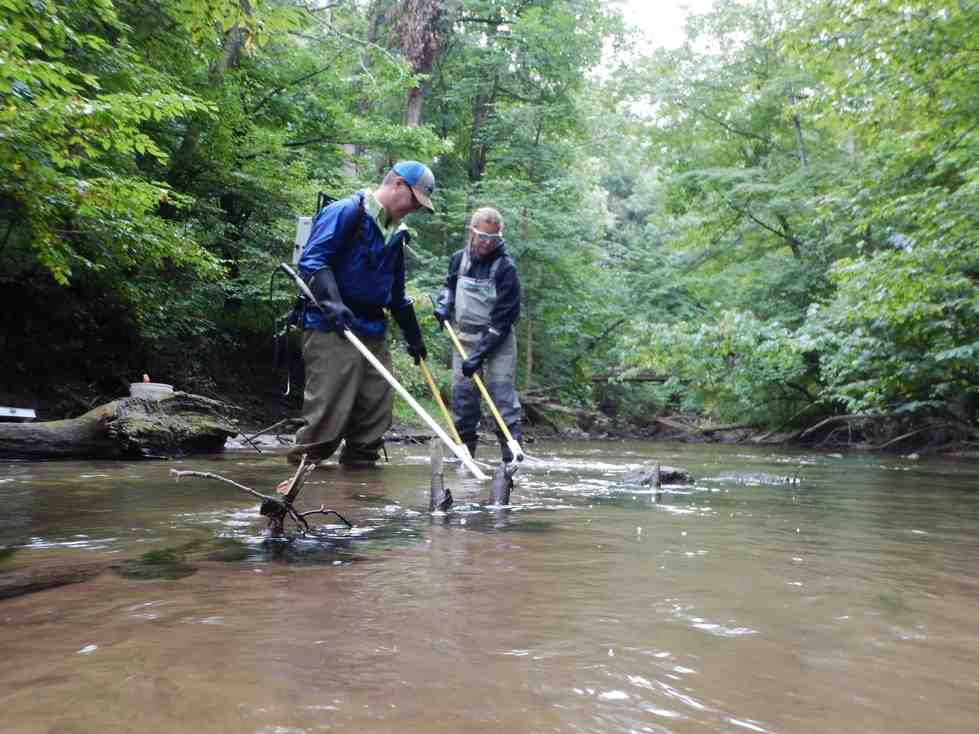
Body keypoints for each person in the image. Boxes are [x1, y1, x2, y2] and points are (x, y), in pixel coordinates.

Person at [287, 161, 435, 466]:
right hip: (332, 325)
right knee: (326, 417)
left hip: (373, 329)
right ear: (397, 185)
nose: (415, 209)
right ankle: (301, 484)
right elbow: (313, 260)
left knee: (375, 411)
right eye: (414, 201)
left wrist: (414, 338)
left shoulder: (397, 234)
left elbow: (396, 295)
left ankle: (360, 489)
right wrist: (333, 303)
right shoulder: (347, 212)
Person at [433, 207, 522, 463]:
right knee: (464, 401)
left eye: (493, 239)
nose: (486, 243)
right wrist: (443, 305)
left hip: (498, 340)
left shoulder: (506, 268)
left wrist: (480, 355)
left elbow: (504, 319)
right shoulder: (458, 259)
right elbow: (449, 287)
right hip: (464, 338)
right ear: (471, 232)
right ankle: (463, 460)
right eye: (482, 236)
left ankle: (511, 460)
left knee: (502, 400)